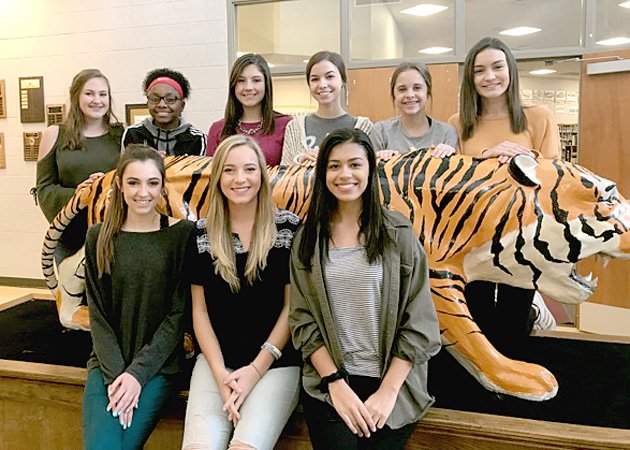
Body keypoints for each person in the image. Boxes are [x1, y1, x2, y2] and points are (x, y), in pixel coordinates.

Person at [289, 128, 441, 449]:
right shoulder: (307, 238)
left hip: (392, 382)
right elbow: (303, 323)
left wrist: (387, 392)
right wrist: (335, 384)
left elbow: (420, 323)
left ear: (370, 169)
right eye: (334, 166)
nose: (345, 174)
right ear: (323, 173)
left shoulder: (397, 232)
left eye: (355, 164)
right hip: (330, 383)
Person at [182, 135, 301, 449]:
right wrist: (221, 374)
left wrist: (255, 369)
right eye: (230, 170)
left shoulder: (288, 229)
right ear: (218, 176)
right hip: (217, 361)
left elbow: (292, 310)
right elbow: (200, 311)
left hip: (274, 363)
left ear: (262, 174)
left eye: (249, 169)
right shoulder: (200, 233)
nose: (240, 179)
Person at [447, 37, 561, 355]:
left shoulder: (539, 116)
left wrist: (526, 159)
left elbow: (553, 179)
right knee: (477, 319)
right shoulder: (457, 124)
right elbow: (454, 181)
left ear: (510, 70)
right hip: (473, 237)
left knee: (512, 324)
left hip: (521, 237)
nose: (490, 77)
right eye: (479, 70)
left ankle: (514, 391)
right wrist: (488, 156)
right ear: (470, 78)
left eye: (498, 67)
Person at [82, 144, 196, 449]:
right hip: (107, 367)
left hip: (158, 368)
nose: (142, 192)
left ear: (162, 186)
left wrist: (136, 375)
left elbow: (177, 316)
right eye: (133, 182)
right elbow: (98, 316)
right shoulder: (98, 236)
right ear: (119, 184)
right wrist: (119, 376)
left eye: (152, 183)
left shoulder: (181, 235)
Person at [281, 51, 373, 166]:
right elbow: (284, 175)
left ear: (343, 81)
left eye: (330, 77)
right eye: (315, 79)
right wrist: (300, 161)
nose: (322, 84)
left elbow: (369, 171)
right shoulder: (294, 127)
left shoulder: (364, 127)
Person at [207, 53, 292, 166]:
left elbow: (292, 174)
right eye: (241, 81)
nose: (248, 87)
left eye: (256, 80)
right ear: (233, 86)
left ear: (266, 84)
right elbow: (211, 175)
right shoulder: (217, 129)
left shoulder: (286, 125)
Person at [371, 62, 458, 160]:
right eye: (402, 89)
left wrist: (448, 154)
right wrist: (380, 161)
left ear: (428, 92)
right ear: (393, 94)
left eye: (417, 88)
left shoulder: (446, 133)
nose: (410, 95)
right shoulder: (380, 132)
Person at [122, 68, 206, 156]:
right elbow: (124, 168)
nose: (161, 105)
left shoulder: (197, 139)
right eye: (154, 99)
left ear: (182, 105)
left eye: (170, 99)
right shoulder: (133, 133)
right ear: (147, 103)